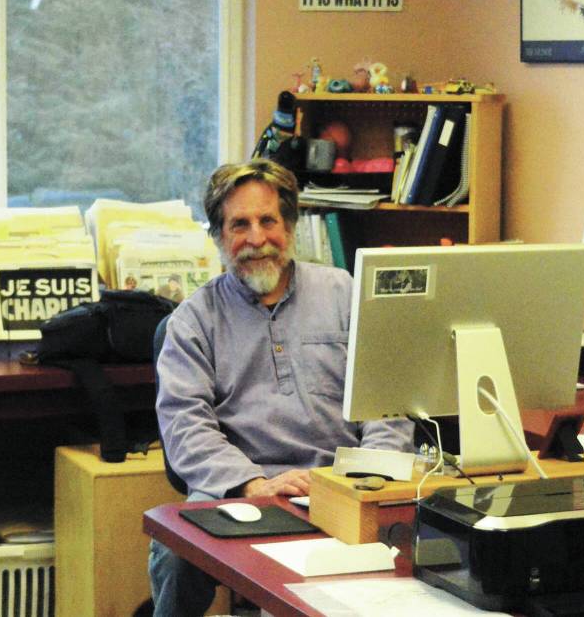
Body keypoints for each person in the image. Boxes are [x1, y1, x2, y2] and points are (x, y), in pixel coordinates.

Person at [149, 159, 413, 616]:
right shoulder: (193, 320)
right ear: (218, 235)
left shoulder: (345, 294)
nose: (257, 239)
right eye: (240, 225)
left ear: (289, 226)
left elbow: (387, 402)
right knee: (175, 555)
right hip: (242, 487)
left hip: (343, 482)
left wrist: (368, 482)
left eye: (268, 221)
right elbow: (185, 428)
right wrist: (254, 484)